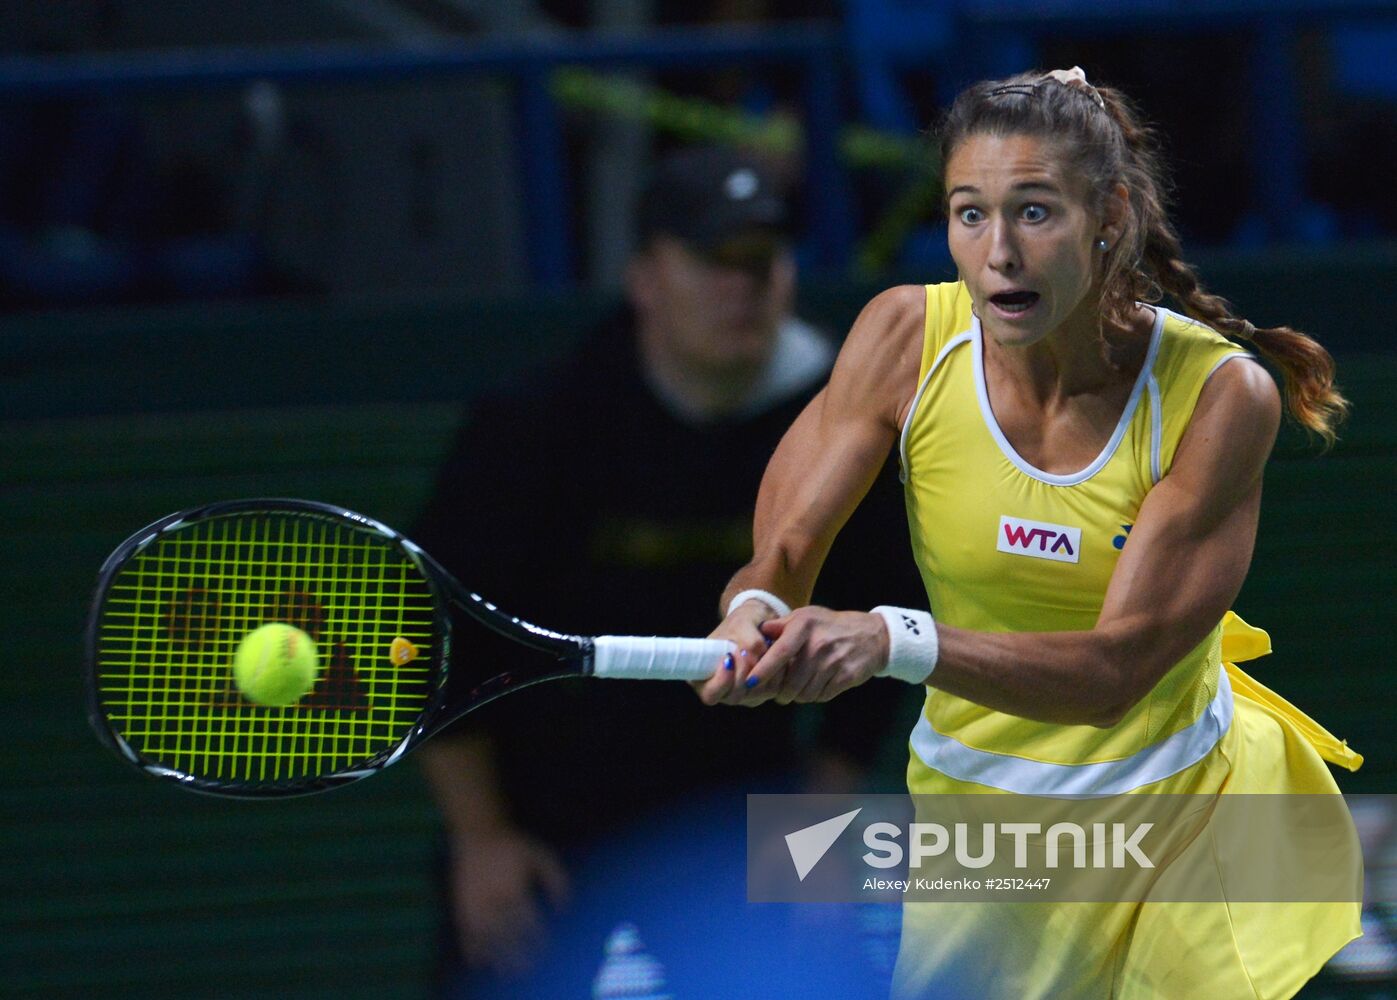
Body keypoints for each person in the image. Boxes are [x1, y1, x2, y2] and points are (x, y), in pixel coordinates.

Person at [698, 68, 1365, 999]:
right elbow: (782, 555)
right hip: (981, 830)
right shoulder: (901, 339)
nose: (998, 251)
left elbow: (1111, 675)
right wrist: (755, 611)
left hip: (1176, 819)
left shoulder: (1217, 395)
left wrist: (893, 639)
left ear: (1111, 215)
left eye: (1035, 212)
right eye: (969, 214)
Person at [412, 145, 923, 999]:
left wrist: (822, 809)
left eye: (761, 260)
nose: (742, 286)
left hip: (745, 816)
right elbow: (439, 635)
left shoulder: (851, 428)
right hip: (546, 814)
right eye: (712, 261)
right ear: (645, 278)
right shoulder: (536, 425)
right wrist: (482, 838)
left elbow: (880, 623)